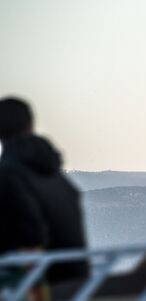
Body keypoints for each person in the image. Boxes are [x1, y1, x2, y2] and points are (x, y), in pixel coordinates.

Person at [0, 97, 89, 284]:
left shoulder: (8, 176)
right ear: (31, 124)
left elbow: (29, 236)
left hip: (43, 287)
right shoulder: (56, 176)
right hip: (77, 279)